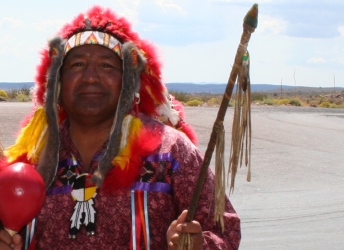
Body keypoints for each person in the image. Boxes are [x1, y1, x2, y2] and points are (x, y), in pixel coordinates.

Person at [0, 6, 240, 249]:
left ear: (128, 84)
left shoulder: (170, 151)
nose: (90, 77)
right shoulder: (31, 160)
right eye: (77, 65)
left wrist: (199, 244)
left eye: (106, 66)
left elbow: (224, 231)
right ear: (57, 84)